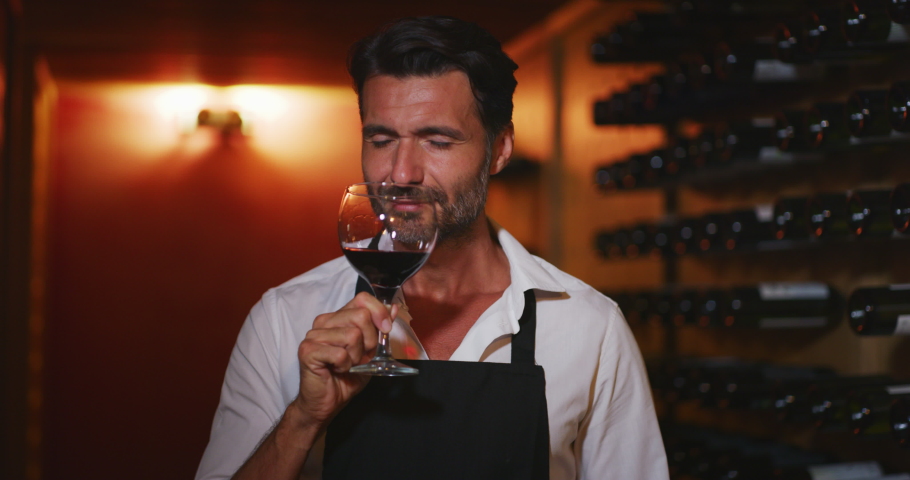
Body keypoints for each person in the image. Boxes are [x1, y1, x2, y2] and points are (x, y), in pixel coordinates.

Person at [196, 16, 668, 480]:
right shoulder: (284, 318)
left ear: (499, 149)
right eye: (382, 140)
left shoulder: (590, 327)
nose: (402, 174)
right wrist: (302, 419)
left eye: (437, 141)